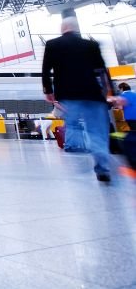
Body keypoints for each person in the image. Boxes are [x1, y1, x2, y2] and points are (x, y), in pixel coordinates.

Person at [42, 17, 115, 183]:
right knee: (97, 131)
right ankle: (102, 166)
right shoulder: (91, 45)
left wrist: (48, 90)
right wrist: (110, 92)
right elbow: (102, 70)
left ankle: (77, 152)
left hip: (68, 94)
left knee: (73, 124)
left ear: (63, 28)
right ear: (75, 28)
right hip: (93, 94)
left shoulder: (53, 44)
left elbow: (46, 69)